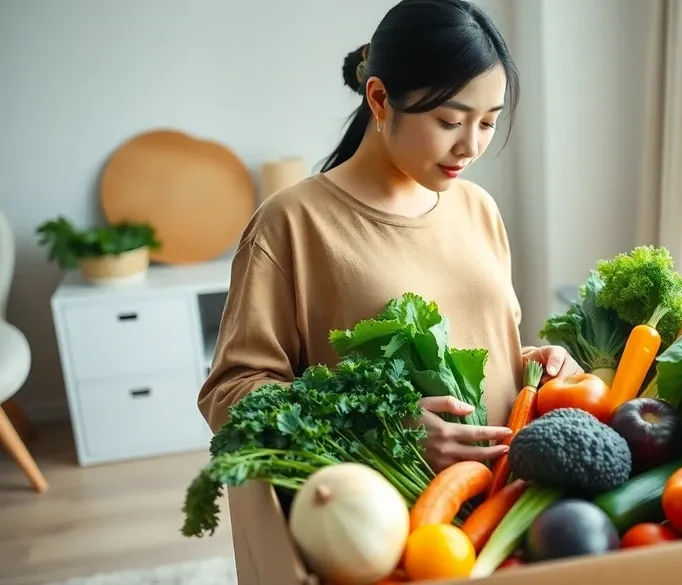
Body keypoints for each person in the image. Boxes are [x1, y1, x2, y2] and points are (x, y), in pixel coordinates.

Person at [198, 0, 582, 472]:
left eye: (487, 122)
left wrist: (531, 363)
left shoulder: (477, 208)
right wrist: (382, 432)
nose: (470, 146)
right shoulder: (293, 222)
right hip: (385, 519)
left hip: (507, 500)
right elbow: (230, 393)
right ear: (379, 99)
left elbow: (474, 351)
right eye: (450, 121)